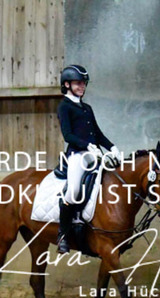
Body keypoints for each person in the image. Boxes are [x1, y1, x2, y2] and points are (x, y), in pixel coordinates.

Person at [56, 64, 121, 254]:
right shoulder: (64, 106)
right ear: (67, 84)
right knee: (73, 191)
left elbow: (97, 134)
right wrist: (87, 146)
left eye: (84, 83)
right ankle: (63, 235)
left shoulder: (87, 108)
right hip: (77, 155)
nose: (82, 86)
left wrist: (112, 147)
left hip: (95, 154)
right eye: (78, 83)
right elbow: (68, 135)